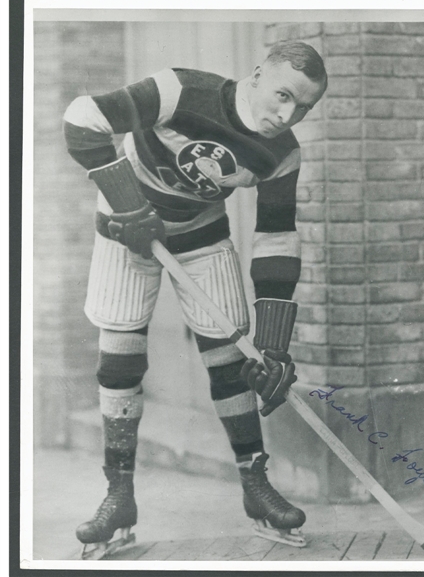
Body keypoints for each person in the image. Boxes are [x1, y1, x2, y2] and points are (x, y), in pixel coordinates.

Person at [63, 40, 328, 559]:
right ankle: (118, 495)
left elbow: (277, 238)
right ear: (256, 75)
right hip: (127, 228)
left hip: (201, 237)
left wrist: (273, 344)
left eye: (303, 107)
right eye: (282, 95)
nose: (287, 114)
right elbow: (82, 117)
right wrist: (128, 204)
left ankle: (256, 488)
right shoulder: (181, 90)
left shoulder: (282, 152)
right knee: (119, 363)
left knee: (232, 360)